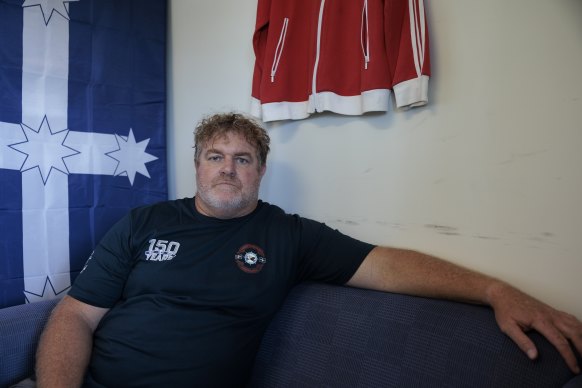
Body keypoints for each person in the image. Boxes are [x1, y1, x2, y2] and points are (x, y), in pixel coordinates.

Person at [36, 112, 582, 387]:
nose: (228, 168)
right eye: (215, 155)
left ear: (261, 171)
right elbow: (77, 315)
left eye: (243, 158)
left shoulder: (289, 235)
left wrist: (494, 289)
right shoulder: (143, 221)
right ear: (197, 164)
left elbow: (388, 265)